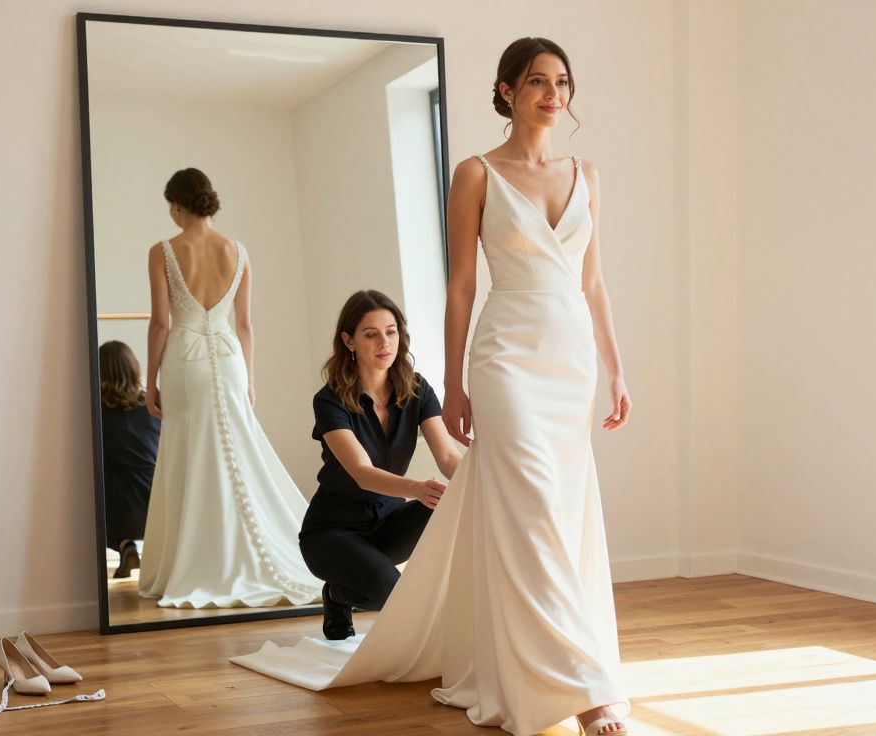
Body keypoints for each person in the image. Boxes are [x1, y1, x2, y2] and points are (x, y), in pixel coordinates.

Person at [233, 38, 633, 736]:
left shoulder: (587, 175)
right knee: (534, 511)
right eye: (537, 81)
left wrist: (618, 367)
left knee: (560, 513)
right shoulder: (476, 173)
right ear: (506, 91)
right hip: (506, 355)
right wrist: (454, 380)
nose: (553, 94)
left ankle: (555, 664)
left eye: (563, 82)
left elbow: (593, 283)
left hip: (570, 360)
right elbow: (461, 287)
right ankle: (582, 686)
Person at [137, 167, 321, 608]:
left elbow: (160, 323)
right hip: (229, 359)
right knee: (234, 451)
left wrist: (150, 381)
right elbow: (245, 324)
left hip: (185, 363)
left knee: (189, 453)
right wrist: (249, 380)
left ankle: (194, 560)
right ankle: (245, 553)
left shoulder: (163, 251)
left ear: (177, 205)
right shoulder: (237, 251)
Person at [299, 290, 463, 640]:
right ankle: (337, 594)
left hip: (389, 526)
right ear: (349, 341)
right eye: (371, 334)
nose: (384, 342)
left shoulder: (417, 390)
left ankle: (361, 586)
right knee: (393, 594)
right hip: (333, 533)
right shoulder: (329, 400)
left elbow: (449, 457)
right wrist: (417, 488)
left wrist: (485, 479)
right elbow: (361, 472)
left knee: (450, 500)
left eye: (391, 332)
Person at [99, 340, 160, 579]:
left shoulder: (96, 411)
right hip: (155, 503)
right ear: (134, 369)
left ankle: (126, 545)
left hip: (115, 512)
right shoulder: (153, 406)